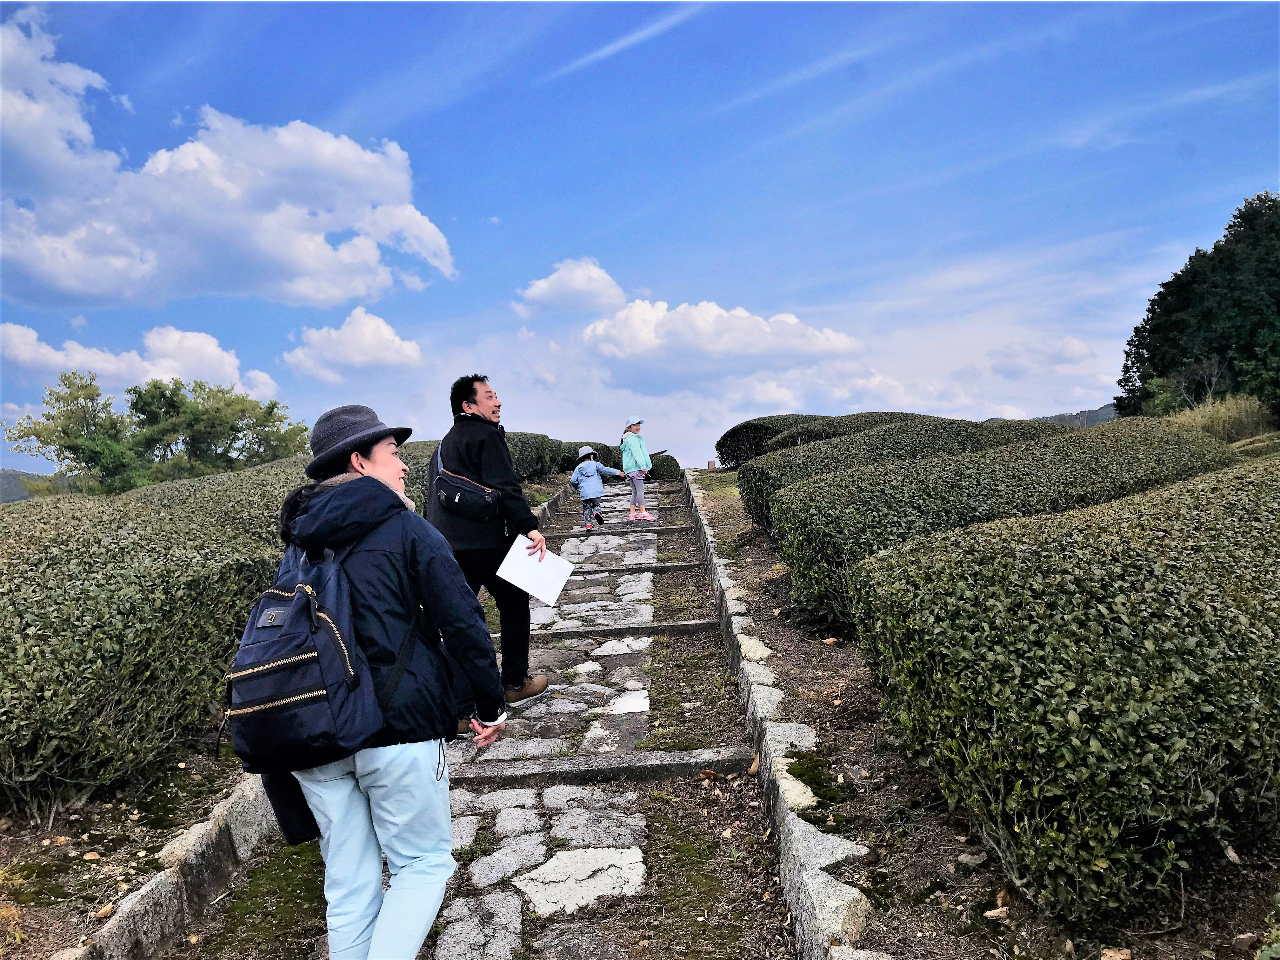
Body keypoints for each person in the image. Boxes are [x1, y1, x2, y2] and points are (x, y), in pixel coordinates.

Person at [279, 404, 508, 960]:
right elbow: (462, 623)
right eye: (393, 454)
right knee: (423, 864)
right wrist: (489, 705)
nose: (404, 467)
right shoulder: (409, 529)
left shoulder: (298, 543)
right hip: (397, 724)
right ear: (360, 462)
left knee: (350, 878)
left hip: (317, 731)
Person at [427, 375, 550, 724]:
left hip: (451, 548)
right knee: (513, 604)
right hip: (489, 543)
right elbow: (505, 487)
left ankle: (462, 710)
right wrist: (529, 526)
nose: (498, 402)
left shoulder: (445, 443)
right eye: (490, 397)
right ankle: (514, 682)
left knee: (459, 623)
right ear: (469, 406)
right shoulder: (487, 435)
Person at [569, 445, 623, 530]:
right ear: (591, 456)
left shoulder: (578, 468)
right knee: (596, 504)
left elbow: (573, 481)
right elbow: (605, 470)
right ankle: (597, 512)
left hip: (585, 493)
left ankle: (588, 525)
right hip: (596, 491)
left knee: (586, 508)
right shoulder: (596, 465)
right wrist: (617, 472)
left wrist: (578, 487)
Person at [620, 416, 654, 522]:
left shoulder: (626, 439)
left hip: (630, 470)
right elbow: (637, 453)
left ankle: (632, 513)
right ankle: (642, 512)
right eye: (635, 425)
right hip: (636, 468)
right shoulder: (633, 439)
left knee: (634, 492)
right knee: (640, 490)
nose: (638, 427)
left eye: (638, 425)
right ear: (628, 427)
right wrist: (642, 466)